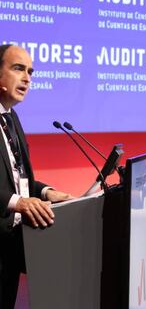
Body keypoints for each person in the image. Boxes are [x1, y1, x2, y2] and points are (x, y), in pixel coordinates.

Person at [0, 44, 73, 308]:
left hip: (11, 242)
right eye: (18, 68)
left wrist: (46, 193)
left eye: (30, 71)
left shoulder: (12, 118)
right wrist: (17, 203)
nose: (27, 77)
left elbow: (18, 178)